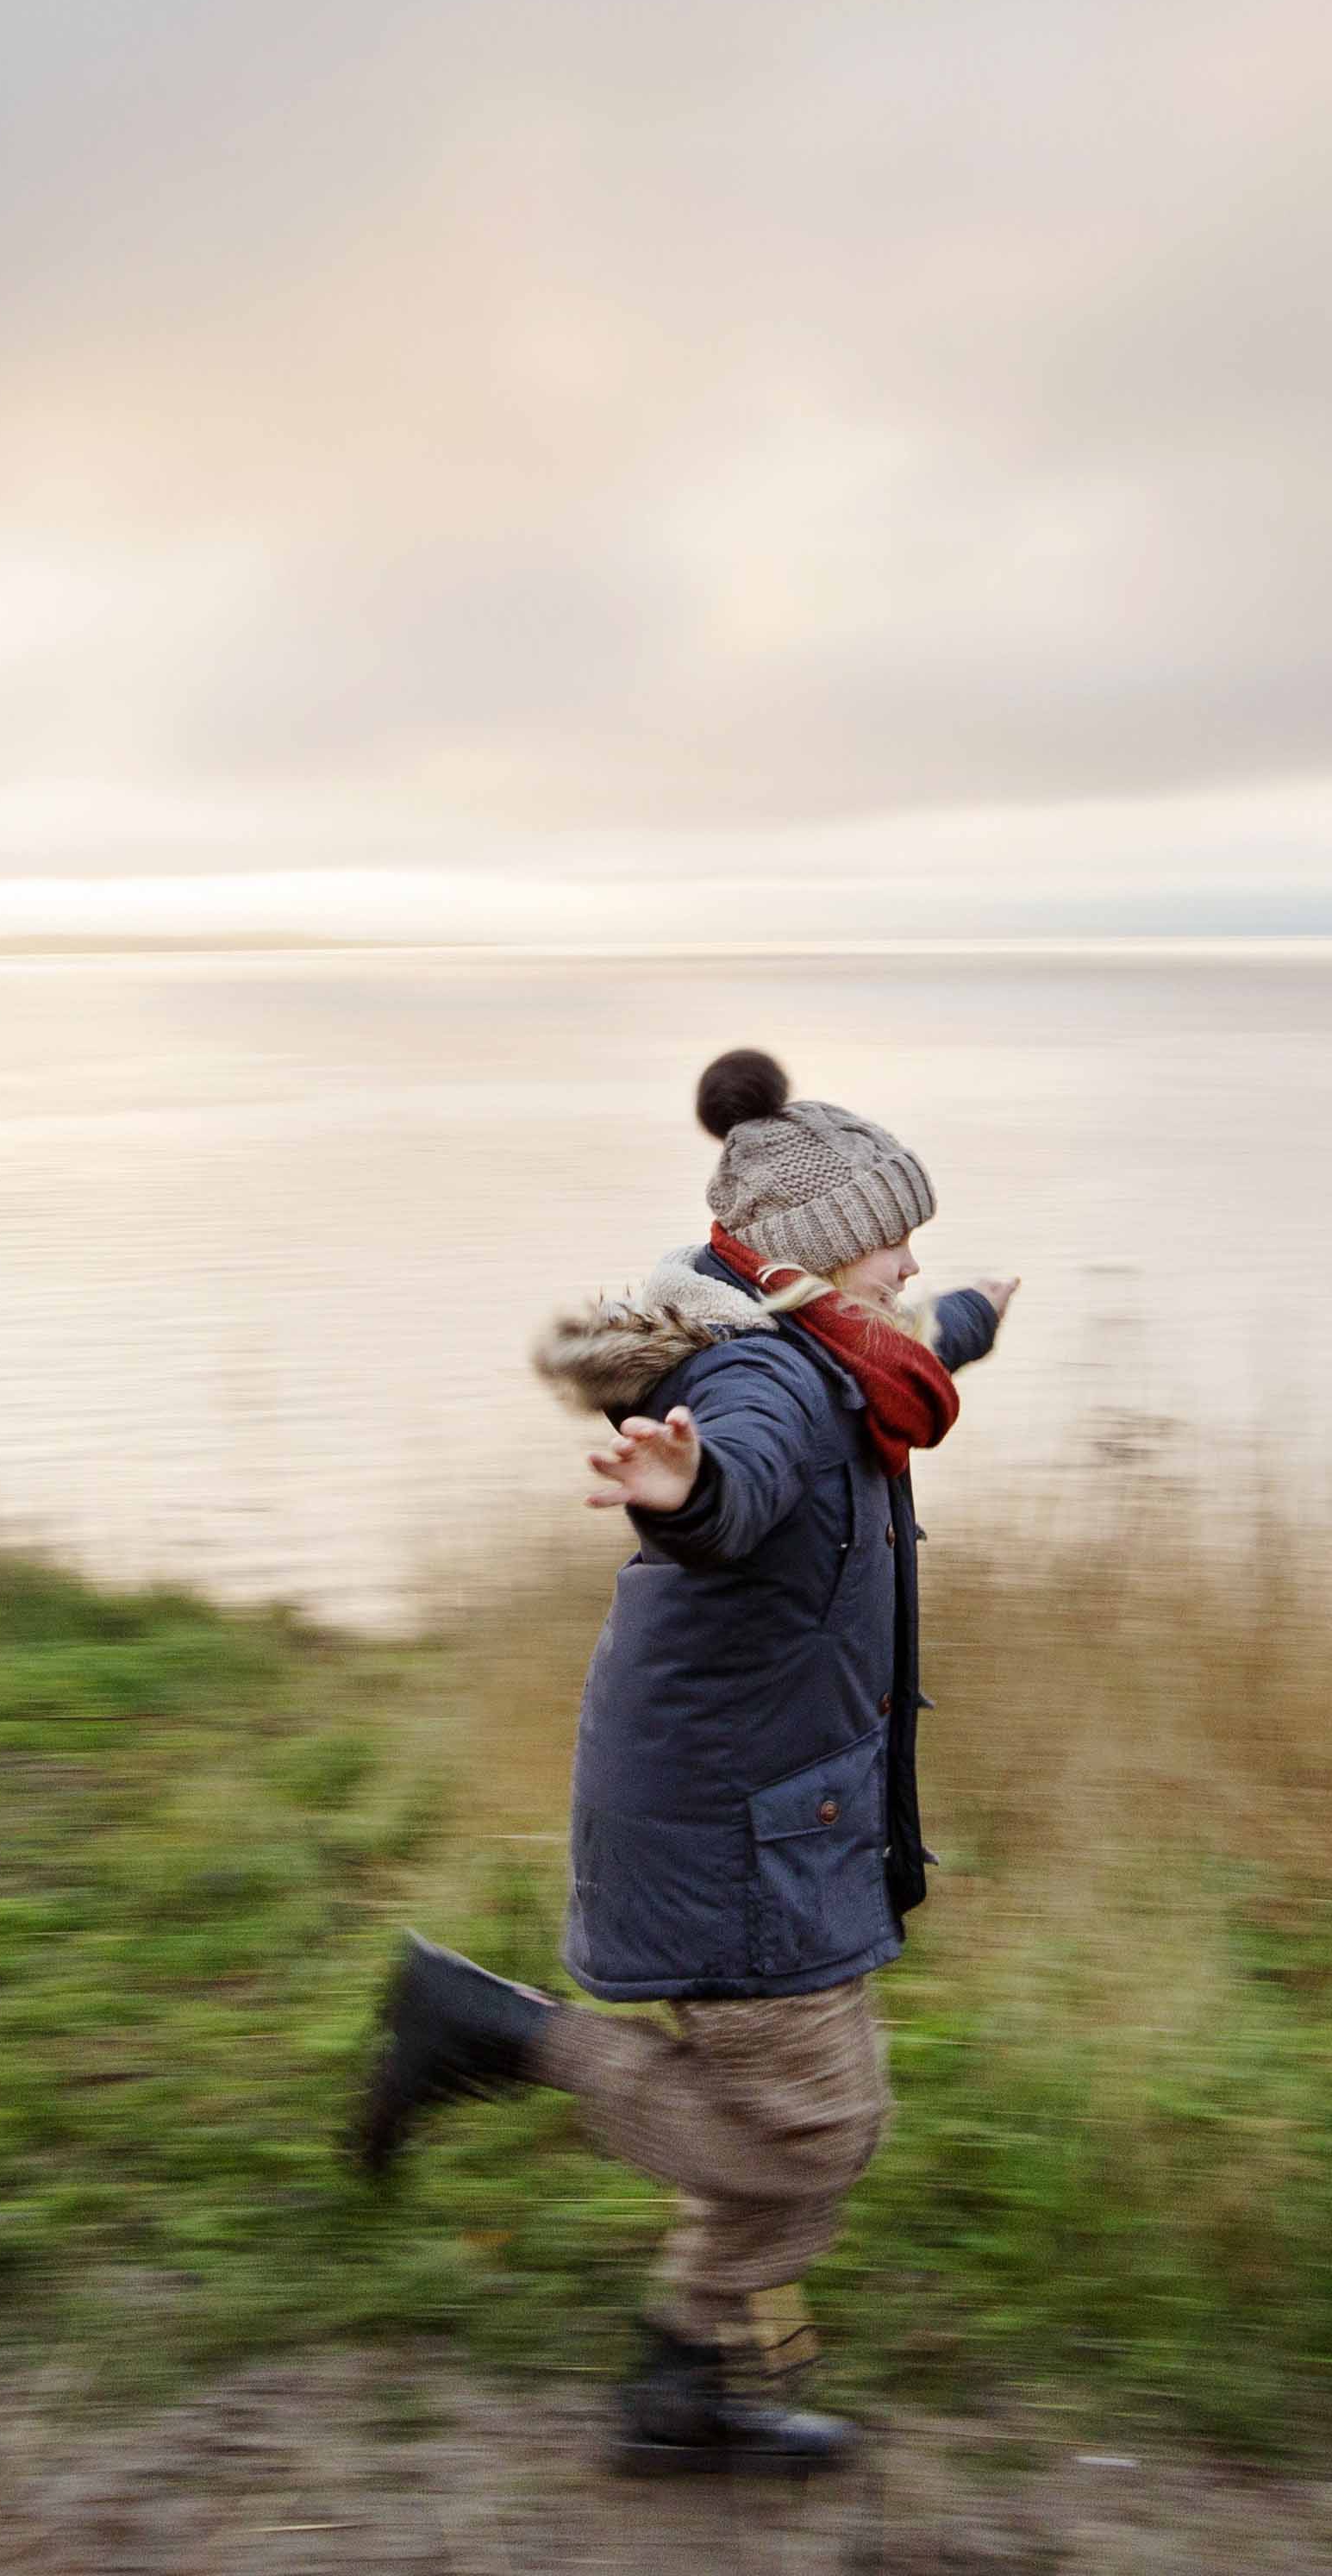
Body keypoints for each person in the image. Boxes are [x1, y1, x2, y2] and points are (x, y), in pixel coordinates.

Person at [350, 1047, 1016, 2478]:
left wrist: (969, 1318)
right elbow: (741, 1476)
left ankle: (687, 2383)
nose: (915, 1262)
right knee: (806, 2140)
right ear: (815, 1265)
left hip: (773, 1805)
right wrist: (684, 1490)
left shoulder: (846, 1347)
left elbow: (903, 1352)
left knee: (813, 2124)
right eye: (897, 1242)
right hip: (734, 1827)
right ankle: (490, 2030)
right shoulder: (770, 1385)